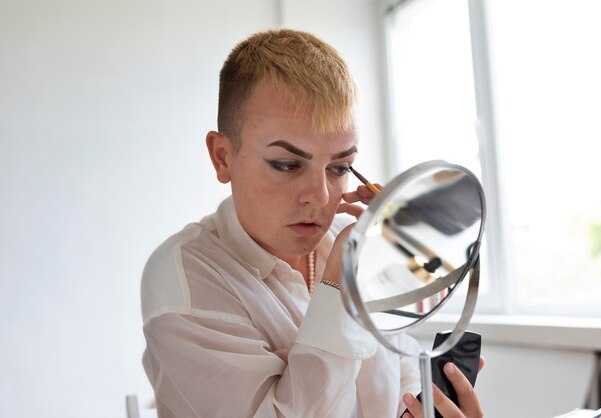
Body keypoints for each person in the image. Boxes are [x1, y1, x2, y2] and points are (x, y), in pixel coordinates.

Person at [141, 28, 484, 418]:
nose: (320, 197)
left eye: (339, 167)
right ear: (222, 157)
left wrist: (422, 406)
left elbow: (400, 375)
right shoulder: (185, 278)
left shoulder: (352, 244)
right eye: (286, 164)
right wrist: (339, 285)